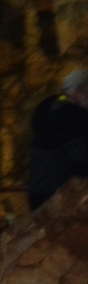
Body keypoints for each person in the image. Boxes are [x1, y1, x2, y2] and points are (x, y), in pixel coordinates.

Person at [31, 70, 88, 210]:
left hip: (39, 192)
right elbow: (81, 155)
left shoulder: (50, 110)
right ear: (80, 90)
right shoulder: (72, 116)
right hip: (60, 194)